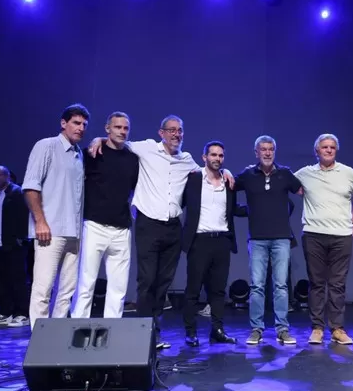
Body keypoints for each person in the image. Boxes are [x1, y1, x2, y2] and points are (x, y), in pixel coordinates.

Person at [87, 115, 233, 349]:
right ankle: (142, 334)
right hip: (148, 225)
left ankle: (155, 332)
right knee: (147, 280)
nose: (177, 134)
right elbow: (118, 140)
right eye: (172, 130)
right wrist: (98, 139)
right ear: (161, 132)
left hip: (173, 227)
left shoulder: (187, 160)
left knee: (163, 282)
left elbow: (207, 172)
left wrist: (225, 172)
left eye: (180, 131)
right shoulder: (146, 148)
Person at [23, 104, 88, 329]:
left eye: (84, 125)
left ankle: (57, 338)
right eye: (76, 123)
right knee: (43, 288)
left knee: (66, 291)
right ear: (63, 123)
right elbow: (31, 186)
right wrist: (40, 221)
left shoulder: (79, 154)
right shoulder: (47, 146)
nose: (80, 128)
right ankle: (38, 339)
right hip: (50, 230)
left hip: (74, 232)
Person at [234, 135, 302, 346]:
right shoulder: (247, 175)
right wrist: (244, 211)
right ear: (256, 152)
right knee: (257, 286)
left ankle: (282, 329)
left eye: (270, 149)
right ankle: (256, 329)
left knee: (281, 286)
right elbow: (229, 186)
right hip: (257, 239)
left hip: (281, 238)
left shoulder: (285, 174)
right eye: (263, 149)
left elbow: (301, 191)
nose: (267, 152)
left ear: (274, 151)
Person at [71, 112, 139, 319]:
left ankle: (113, 328)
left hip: (121, 228)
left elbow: (134, 190)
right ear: (107, 128)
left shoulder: (133, 159)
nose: (122, 131)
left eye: (126, 128)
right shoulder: (91, 154)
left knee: (118, 287)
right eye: (118, 127)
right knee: (86, 282)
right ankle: (77, 326)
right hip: (94, 225)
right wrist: (97, 141)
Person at [295, 134, 353, 345]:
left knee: (338, 284)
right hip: (314, 234)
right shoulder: (305, 173)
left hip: (341, 236)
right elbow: (283, 182)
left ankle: (337, 328)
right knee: (316, 283)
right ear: (317, 151)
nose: (329, 150)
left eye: (332, 147)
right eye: (324, 147)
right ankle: (317, 328)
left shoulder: (348, 173)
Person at [180, 141, 240, 346]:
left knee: (218, 290)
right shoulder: (194, 179)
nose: (217, 159)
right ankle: (190, 332)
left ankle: (217, 330)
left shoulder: (228, 181)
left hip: (222, 240)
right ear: (204, 157)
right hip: (199, 240)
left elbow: (233, 209)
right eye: (213, 155)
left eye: (220, 156)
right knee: (193, 289)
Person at [0, 165, 30, 327]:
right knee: (2, 281)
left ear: (7, 176)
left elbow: (25, 217)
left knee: (18, 280)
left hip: (14, 245)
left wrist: (21, 238)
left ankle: (22, 313)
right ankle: (6, 312)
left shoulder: (18, 192)